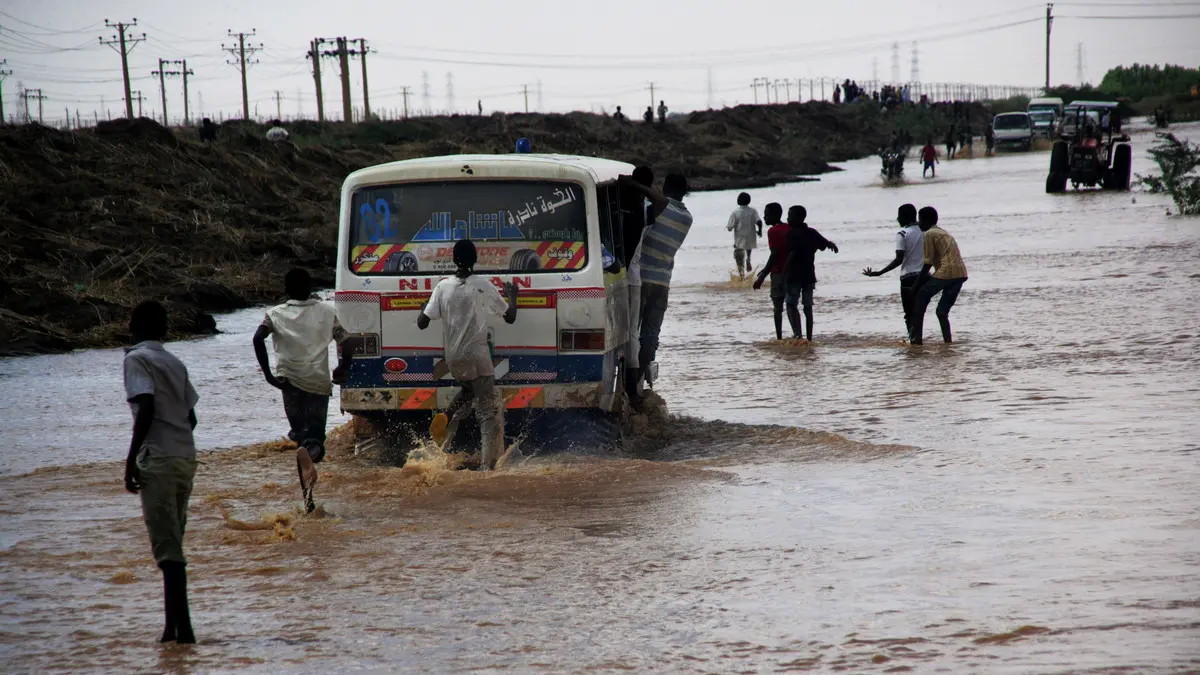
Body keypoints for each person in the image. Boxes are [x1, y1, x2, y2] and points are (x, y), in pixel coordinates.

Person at [122, 300, 199, 644]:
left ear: (132, 327)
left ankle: (184, 634)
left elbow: (147, 406)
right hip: (184, 458)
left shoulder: (136, 359)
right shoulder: (175, 361)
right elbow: (191, 417)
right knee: (174, 544)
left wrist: (130, 460)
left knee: (168, 552)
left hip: (160, 459)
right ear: (165, 330)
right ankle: (174, 630)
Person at [253, 269, 348, 512]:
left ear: (286, 290)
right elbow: (346, 341)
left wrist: (268, 376)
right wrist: (342, 368)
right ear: (310, 288)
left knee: (301, 440)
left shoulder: (274, 314)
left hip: (289, 384)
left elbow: (257, 338)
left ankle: (308, 500)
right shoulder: (327, 312)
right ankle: (310, 470)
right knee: (314, 441)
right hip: (317, 383)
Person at [418, 241, 519, 469]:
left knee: (468, 389)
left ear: (453, 260)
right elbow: (510, 316)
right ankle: (487, 466)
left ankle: (447, 415)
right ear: (475, 260)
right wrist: (513, 296)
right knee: (487, 410)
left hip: (453, 358)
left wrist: (424, 306)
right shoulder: (482, 285)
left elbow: (422, 322)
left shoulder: (442, 287)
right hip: (478, 355)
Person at [619, 173, 693, 398]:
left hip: (641, 279)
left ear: (664, 187)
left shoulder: (657, 208)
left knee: (632, 331)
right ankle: (641, 378)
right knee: (651, 334)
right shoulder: (687, 217)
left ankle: (628, 381)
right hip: (663, 283)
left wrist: (635, 185)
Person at [754, 205, 837, 342]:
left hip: (788, 274)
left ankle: (788, 337)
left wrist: (767, 275)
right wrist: (830, 244)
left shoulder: (783, 232)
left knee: (785, 306)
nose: (764, 217)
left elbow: (781, 254)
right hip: (808, 275)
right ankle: (807, 338)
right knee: (807, 307)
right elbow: (822, 243)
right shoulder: (801, 230)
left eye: (766, 214)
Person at [621, 166, 658, 405]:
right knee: (631, 331)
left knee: (627, 333)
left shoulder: (624, 206)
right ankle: (633, 389)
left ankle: (631, 387)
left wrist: (632, 186)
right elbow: (661, 200)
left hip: (619, 275)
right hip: (631, 277)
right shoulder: (645, 210)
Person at [861, 204, 924, 337]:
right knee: (919, 312)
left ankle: (913, 341)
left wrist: (879, 272)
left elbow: (899, 259)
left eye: (899, 216)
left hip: (908, 278)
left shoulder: (902, 234)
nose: (897, 218)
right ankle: (918, 340)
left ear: (905, 217)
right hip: (924, 276)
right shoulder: (924, 231)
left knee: (909, 314)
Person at [909, 206, 968, 345]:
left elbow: (928, 262)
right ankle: (948, 343)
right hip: (960, 273)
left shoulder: (929, 234)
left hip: (947, 271)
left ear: (927, 220)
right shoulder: (943, 232)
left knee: (921, 295)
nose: (918, 223)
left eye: (920, 220)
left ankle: (916, 340)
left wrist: (915, 286)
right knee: (941, 312)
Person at [751, 202, 787, 339]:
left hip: (778, 273)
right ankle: (798, 336)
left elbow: (774, 254)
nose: (764, 218)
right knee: (791, 306)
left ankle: (779, 338)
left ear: (774, 215)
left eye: (766, 215)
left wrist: (763, 275)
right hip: (792, 272)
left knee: (778, 308)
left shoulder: (773, 231)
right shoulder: (788, 227)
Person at [726, 192, 762, 280]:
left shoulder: (735, 213)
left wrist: (729, 227)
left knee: (739, 257)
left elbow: (730, 228)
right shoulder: (753, 211)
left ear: (738, 201)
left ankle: (742, 276)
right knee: (748, 248)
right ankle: (748, 259)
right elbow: (759, 222)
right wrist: (759, 231)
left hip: (739, 239)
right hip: (750, 236)